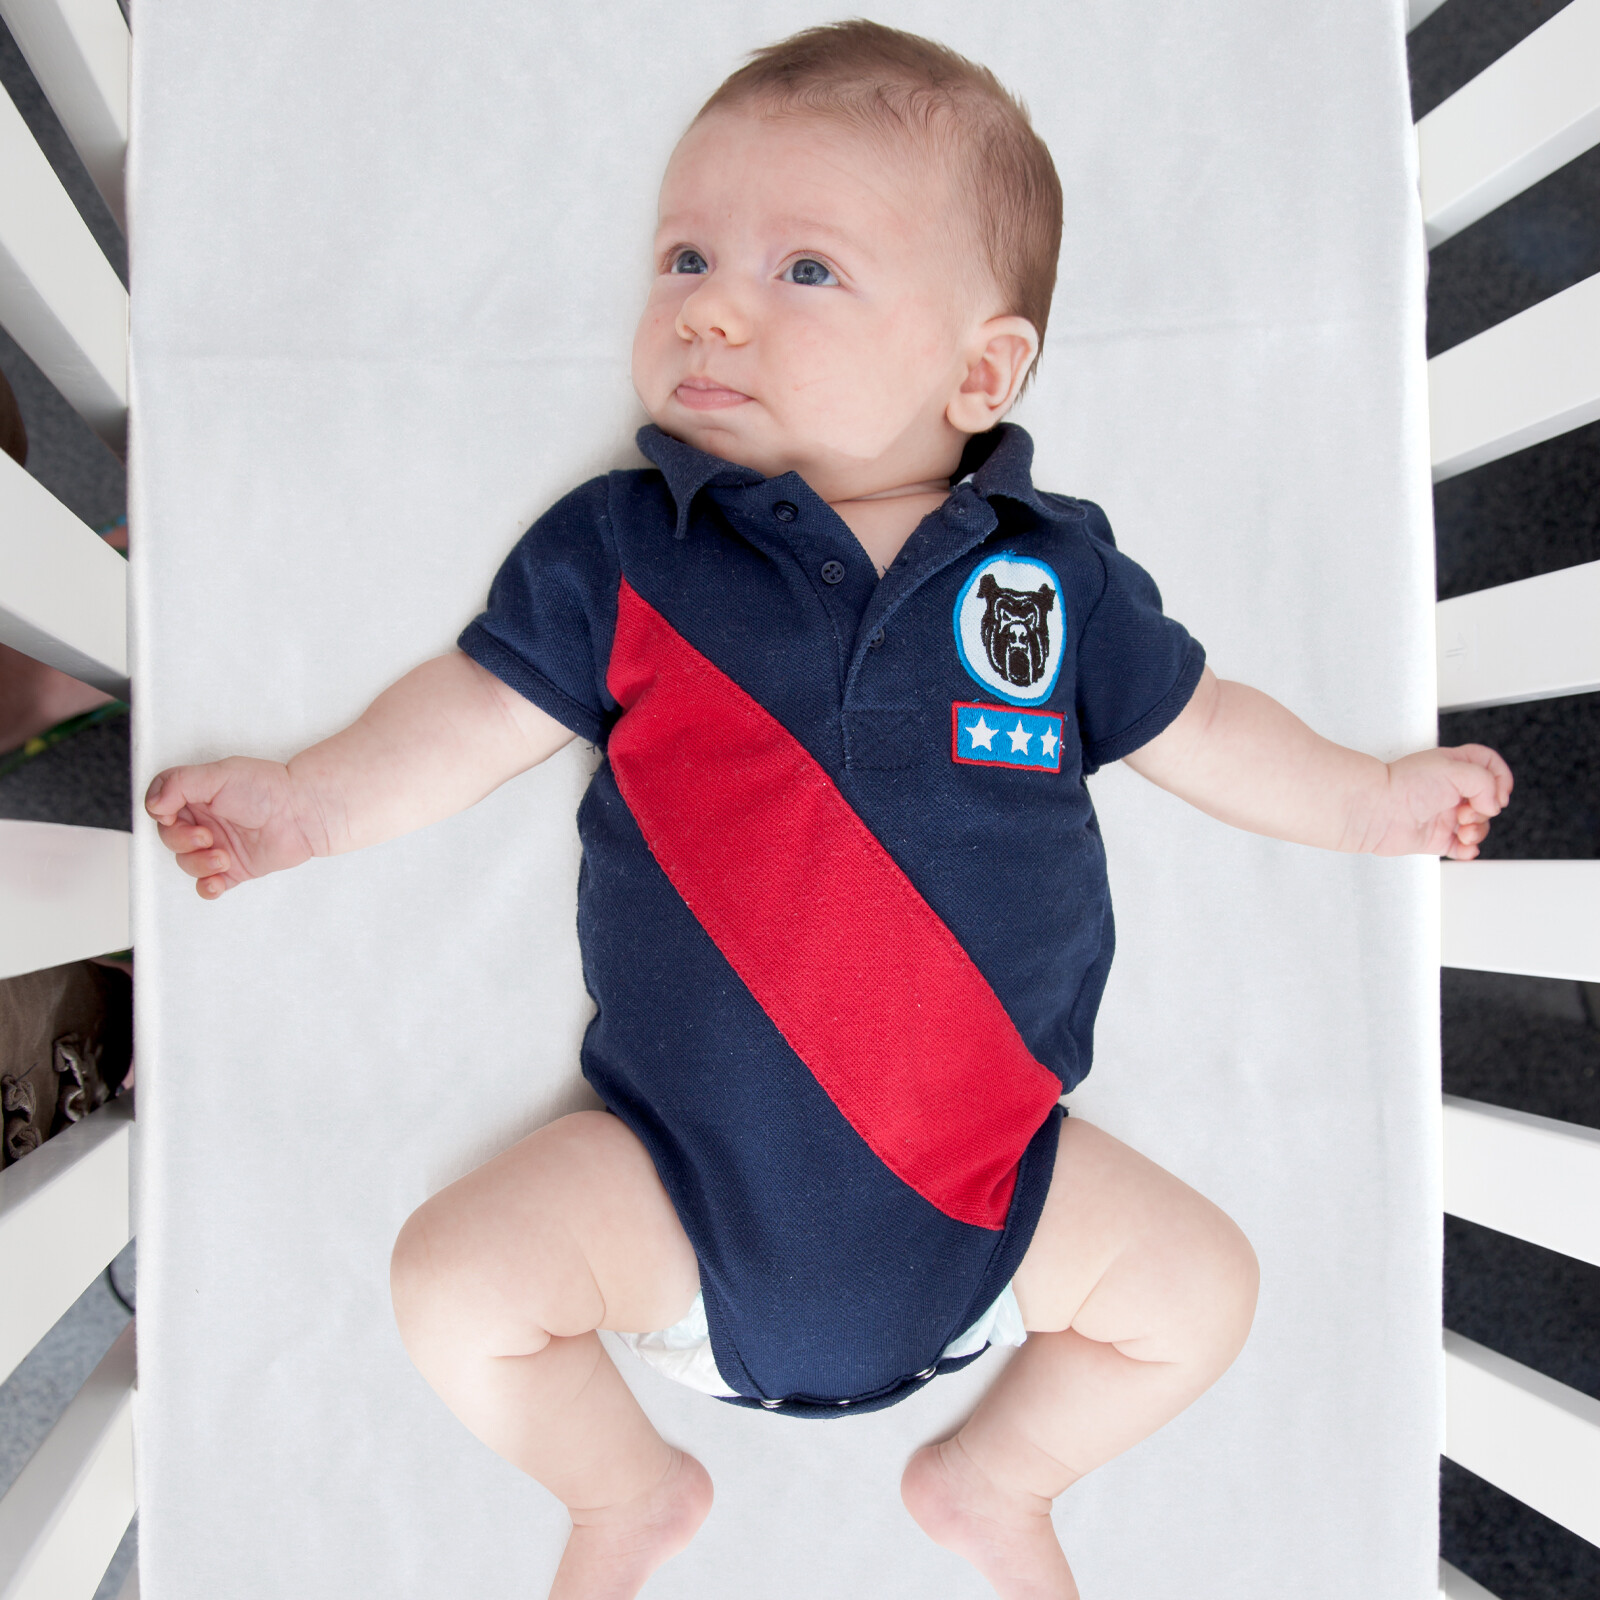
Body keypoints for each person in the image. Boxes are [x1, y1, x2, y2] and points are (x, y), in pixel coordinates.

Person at [145, 23, 1511, 1600]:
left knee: (1205, 1289)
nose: (709, 305)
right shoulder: (631, 547)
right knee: (453, 1282)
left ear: (979, 370)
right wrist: (311, 807)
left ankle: (999, 1479)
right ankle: (620, 1493)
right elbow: (469, 716)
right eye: (684, 257)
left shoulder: (1043, 572)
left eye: (805, 271)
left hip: (996, 1211)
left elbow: (1205, 728)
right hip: (674, 1197)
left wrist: (1372, 801)